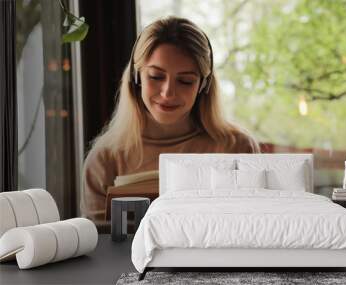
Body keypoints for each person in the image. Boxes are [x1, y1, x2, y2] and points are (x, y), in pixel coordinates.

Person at [82, 16, 260, 222]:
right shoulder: (106, 158)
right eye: (156, 77)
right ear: (136, 77)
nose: (168, 93)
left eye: (185, 81)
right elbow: (100, 244)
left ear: (203, 85)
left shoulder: (237, 147)